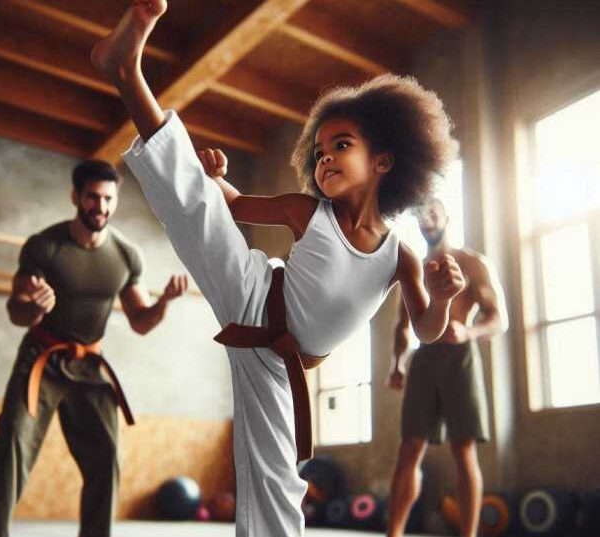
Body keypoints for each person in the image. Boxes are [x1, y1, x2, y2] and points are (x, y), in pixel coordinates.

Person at [90, 2, 464, 535]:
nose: (324, 158)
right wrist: (213, 178)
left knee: (281, 482)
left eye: (341, 145)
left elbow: (427, 328)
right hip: (255, 297)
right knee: (195, 203)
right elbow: (235, 206)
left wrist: (443, 299)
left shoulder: (399, 254)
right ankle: (126, 71)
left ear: (384, 161)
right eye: (318, 152)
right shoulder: (307, 211)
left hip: (280, 367)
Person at [0, 159, 188, 537]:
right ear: (76, 196)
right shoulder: (44, 247)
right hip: (41, 359)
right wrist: (33, 307)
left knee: (106, 459)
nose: (100, 207)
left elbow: (140, 321)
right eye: (92, 197)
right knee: (10, 448)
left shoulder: (125, 255)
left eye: (108, 199)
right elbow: (16, 311)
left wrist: (163, 303)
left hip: (90, 364)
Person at [386, 197, 508, 537]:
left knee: (463, 449)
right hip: (424, 359)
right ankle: (393, 533)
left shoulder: (472, 263)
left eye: (433, 214)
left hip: (460, 357)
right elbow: (402, 325)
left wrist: (468, 330)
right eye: (421, 216)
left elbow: (500, 319)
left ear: (446, 218)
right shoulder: (414, 267)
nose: (427, 220)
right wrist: (395, 364)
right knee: (409, 448)